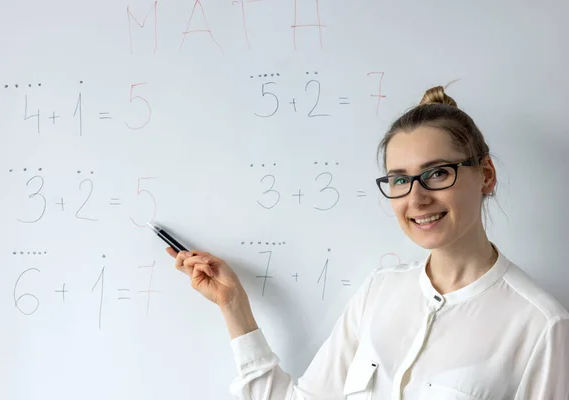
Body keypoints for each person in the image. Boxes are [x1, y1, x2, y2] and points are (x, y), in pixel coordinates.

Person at [165, 86, 569, 400]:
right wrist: (233, 306)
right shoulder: (380, 291)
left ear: (486, 175)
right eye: (398, 179)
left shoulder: (540, 325)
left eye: (437, 173)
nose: (416, 198)